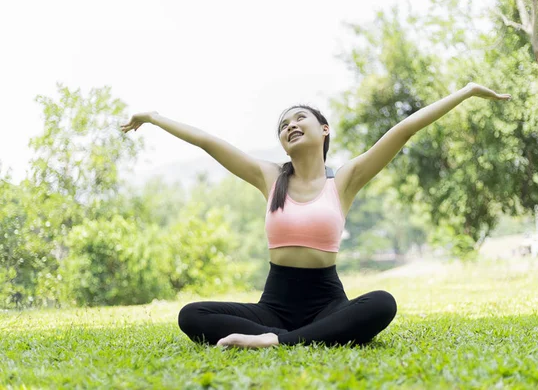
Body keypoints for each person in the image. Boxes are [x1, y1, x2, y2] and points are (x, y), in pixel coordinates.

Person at [121, 82, 510, 348]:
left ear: (324, 130)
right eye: (283, 125)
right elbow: (209, 142)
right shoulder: (269, 177)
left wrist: (468, 92)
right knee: (192, 315)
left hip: (328, 302)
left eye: (299, 119)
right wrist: (155, 116)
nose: (290, 126)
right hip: (273, 305)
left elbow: (405, 129)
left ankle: (275, 341)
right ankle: (296, 335)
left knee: (382, 303)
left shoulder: (343, 182)